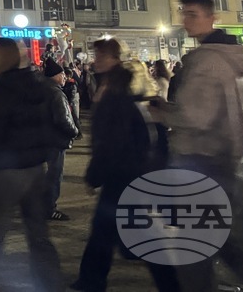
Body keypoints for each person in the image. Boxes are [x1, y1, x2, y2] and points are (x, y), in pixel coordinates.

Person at [166, 0, 243, 292]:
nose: (185, 20)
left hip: (204, 163)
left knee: (194, 254)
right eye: (183, 13)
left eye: (192, 14)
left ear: (211, 17)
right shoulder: (229, 58)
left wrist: (159, 112)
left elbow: (196, 117)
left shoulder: (207, 61)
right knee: (221, 246)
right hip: (222, 164)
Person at [69, 38, 177, 292]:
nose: (96, 61)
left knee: (111, 232)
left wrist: (95, 175)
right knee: (113, 232)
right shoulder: (120, 86)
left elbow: (111, 140)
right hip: (130, 172)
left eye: (102, 56)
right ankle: (91, 280)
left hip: (123, 174)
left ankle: (92, 281)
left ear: (116, 59)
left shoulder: (116, 92)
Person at [0, 38, 61, 292]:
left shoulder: (3, 87)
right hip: (35, 166)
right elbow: (49, 122)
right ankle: (50, 281)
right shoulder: (37, 82)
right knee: (38, 232)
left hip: (10, 167)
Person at [42, 57, 80, 222]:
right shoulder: (56, 93)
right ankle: (49, 208)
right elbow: (63, 119)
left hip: (44, 138)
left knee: (47, 174)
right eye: (62, 74)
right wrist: (75, 131)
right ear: (55, 76)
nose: (64, 77)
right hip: (55, 139)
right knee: (54, 175)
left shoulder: (41, 90)